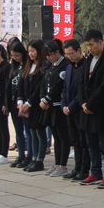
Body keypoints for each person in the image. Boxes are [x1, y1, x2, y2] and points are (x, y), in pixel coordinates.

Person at [78, 29, 104, 187]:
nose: (90, 48)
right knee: (91, 144)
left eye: (92, 45)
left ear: (100, 42)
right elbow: (81, 83)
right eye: (87, 45)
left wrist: (91, 104)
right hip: (86, 110)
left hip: (100, 109)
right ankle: (95, 172)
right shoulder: (88, 60)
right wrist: (83, 103)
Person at [40, 41, 71, 177]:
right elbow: (43, 83)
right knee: (56, 137)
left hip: (59, 106)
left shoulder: (65, 65)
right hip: (50, 106)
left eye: (50, 55)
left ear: (57, 52)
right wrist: (43, 98)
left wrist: (48, 99)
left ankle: (63, 165)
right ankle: (57, 163)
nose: (48, 58)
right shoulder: (50, 66)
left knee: (63, 137)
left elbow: (59, 85)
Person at [61, 39, 90, 180]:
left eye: (71, 53)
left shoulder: (86, 66)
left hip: (79, 110)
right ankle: (77, 168)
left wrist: (71, 106)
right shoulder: (68, 68)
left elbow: (83, 90)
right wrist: (64, 105)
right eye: (67, 54)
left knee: (83, 141)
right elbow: (65, 89)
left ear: (79, 50)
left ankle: (84, 169)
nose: (69, 56)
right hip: (69, 110)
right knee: (75, 142)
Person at [17, 40, 48, 172]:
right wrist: (20, 101)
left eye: (33, 51)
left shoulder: (43, 68)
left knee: (39, 132)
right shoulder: (28, 66)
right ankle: (34, 158)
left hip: (36, 106)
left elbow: (39, 88)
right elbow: (21, 85)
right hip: (26, 105)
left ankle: (39, 160)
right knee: (31, 132)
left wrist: (29, 102)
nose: (30, 54)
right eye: (29, 51)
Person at [6, 40, 32, 168]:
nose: (15, 58)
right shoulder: (14, 67)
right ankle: (21, 155)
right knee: (18, 131)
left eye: (17, 55)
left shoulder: (28, 66)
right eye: (13, 56)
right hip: (14, 103)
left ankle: (30, 156)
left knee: (28, 131)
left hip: (24, 103)